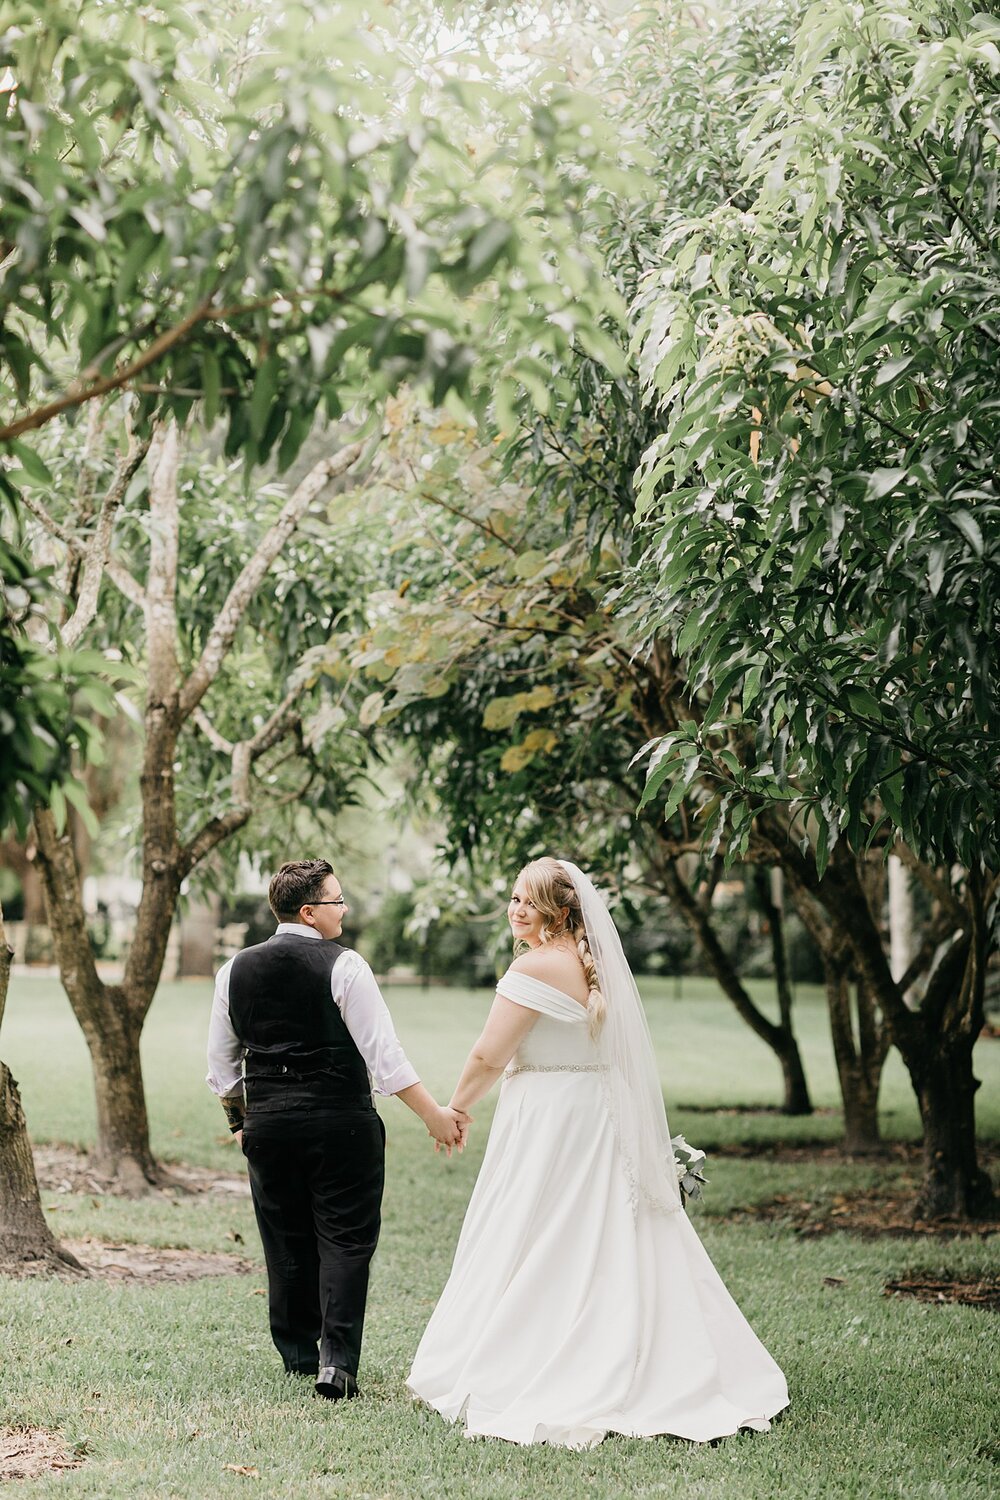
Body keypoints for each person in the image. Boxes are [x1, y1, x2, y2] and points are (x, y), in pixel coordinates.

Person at [407, 856, 789, 1448]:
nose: (515, 910)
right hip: (599, 1113)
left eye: (527, 902)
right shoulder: (595, 965)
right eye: (512, 898)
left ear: (557, 911)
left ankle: (542, 1355)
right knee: (608, 1229)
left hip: (551, 1118)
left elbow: (488, 1055)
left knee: (543, 1229)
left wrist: (452, 1111)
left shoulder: (535, 967)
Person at [206, 858, 466, 1401]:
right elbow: (386, 1059)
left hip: (269, 1126)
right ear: (309, 911)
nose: (343, 909)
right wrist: (434, 1116)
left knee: (284, 1238)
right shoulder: (346, 967)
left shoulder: (234, 970)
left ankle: (299, 1353)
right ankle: (337, 1364)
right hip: (341, 1123)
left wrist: (241, 1126)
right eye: (336, 901)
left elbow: (223, 1066)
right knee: (346, 1239)